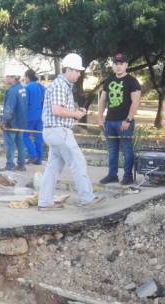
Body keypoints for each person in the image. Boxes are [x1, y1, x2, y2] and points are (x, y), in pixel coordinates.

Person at [38, 53, 101, 211]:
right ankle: (87, 198)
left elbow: (58, 109)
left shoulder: (61, 85)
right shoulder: (60, 85)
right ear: (69, 69)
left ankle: (45, 202)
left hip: (52, 131)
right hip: (60, 131)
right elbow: (57, 110)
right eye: (77, 71)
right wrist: (75, 114)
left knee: (52, 168)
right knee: (78, 163)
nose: (79, 74)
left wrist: (75, 112)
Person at [97, 53, 141, 185]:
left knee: (127, 149)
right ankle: (112, 175)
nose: (118, 66)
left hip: (124, 122)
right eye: (116, 64)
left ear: (126, 65)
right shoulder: (109, 80)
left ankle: (128, 176)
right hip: (109, 122)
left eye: (121, 64)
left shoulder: (132, 82)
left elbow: (135, 102)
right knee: (112, 150)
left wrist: (128, 120)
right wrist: (100, 117)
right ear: (113, 65)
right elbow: (103, 100)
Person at [0, 74, 28, 171]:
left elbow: (9, 108)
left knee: (10, 145)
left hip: (12, 123)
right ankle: (21, 164)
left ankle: (10, 165)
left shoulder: (12, 91)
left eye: (7, 77)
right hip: (21, 122)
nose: (6, 78)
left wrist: (4, 121)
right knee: (20, 143)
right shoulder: (22, 89)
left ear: (13, 78)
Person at [23, 69, 46, 165]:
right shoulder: (41, 87)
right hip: (40, 116)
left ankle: (33, 154)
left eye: (25, 77)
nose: (24, 79)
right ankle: (39, 159)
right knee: (38, 137)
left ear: (28, 77)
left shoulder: (27, 88)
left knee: (24, 136)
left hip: (29, 116)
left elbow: (25, 103)